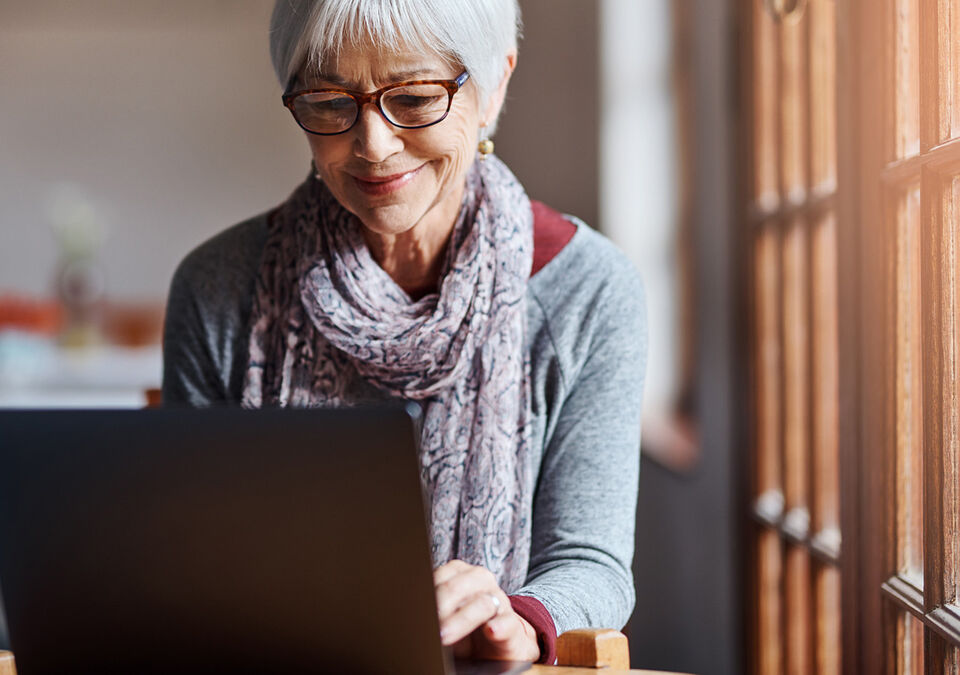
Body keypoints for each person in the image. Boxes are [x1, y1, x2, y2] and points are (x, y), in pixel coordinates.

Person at [163, 0, 646, 665]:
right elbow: (194, 559)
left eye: (415, 99)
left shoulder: (588, 289)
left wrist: (519, 616)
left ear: (494, 85)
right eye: (331, 103)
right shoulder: (218, 287)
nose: (373, 146)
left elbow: (590, 562)